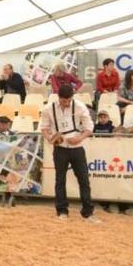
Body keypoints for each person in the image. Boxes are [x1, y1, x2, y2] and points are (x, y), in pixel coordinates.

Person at [40, 84, 98, 222]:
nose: (65, 103)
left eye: (68, 101)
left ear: (72, 98)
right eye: (63, 101)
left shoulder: (80, 106)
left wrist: (80, 138)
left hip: (77, 148)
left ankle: (88, 212)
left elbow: (89, 127)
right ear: (58, 97)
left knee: (84, 179)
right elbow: (44, 127)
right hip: (60, 148)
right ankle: (62, 211)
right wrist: (50, 139)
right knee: (60, 180)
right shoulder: (49, 108)